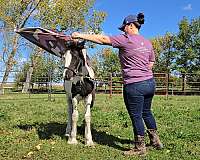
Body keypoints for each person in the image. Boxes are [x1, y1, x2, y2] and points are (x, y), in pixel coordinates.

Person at [71, 13, 163, 156]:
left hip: (134, 85)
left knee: (136, 115)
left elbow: (102, 39)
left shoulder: (125, 39)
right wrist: (143, 71)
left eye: (124, 27)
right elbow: (151, 63)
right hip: (150, 83)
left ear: (131, 25)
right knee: (146, 112)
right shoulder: (147, 42)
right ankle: (156, 141)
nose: (123, 31)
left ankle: (140, 147)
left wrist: (80, 35)